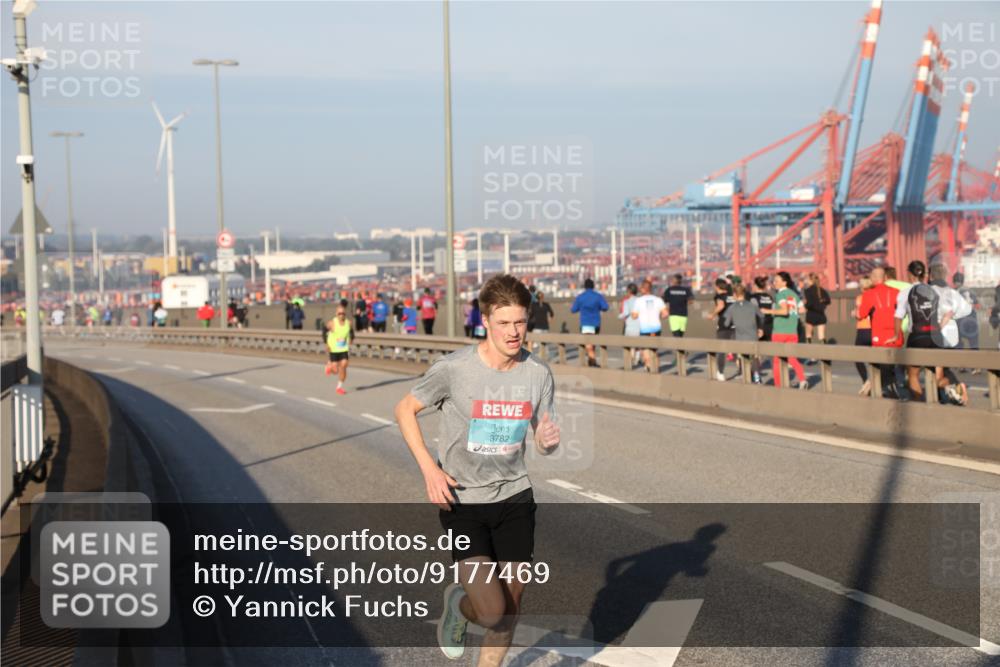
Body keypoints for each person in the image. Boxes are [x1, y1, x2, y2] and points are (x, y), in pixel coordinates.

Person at [393, 274, 560, 665]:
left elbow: (543, 438)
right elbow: (404, 409)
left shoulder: (537, 374)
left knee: (510, 610)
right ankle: (459, 605)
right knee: (490, 611)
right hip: (463, 501)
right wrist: (430, 472)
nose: (514, 331)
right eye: (504, 323)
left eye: (520, 321)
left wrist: (548, 441)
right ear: (486, 321)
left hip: (514, 496)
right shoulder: (454, 369)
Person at [857, 267, 901, 398]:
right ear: (885, 278)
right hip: (895, 335)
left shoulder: (869, 294)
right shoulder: (897, 292)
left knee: (879, 365)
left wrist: (855, 313)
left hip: (879, 336)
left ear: (873, 278)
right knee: (891, 365)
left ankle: (873, 386)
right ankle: (890, 389)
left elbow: (861, 314)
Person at [761, 272, 808, 389]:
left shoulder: (780, 295)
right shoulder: (794, 294)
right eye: (774, 281)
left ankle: (778, 386)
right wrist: (793, 310)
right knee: (792, 358)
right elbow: (802, 310)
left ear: (784, 282)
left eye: (777, 281)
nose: (774, 283)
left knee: (777, 360)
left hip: (780, 331)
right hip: (792, 331)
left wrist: (768, 312)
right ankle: (802, 379)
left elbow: (784, 311)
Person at [722, 284, 764, 384]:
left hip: (740, 337)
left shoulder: (732, 307)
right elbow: (761, 316)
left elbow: (726, 323)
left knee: (742, 358)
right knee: (754, 357)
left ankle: (746, 379)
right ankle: (757, 377)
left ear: (735, 294)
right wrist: (760, 329)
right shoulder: (752, 305)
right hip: (753, 335)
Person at [630, 280, 668, 372]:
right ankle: (656, 369)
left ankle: (648, 367)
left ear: (643, 289)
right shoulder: (658, 300)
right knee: (654, 350)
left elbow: (634, 316)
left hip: (644, 329)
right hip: (656, 328)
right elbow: (665, 314)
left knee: (645, 350)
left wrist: (640, 313)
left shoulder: (639, 301)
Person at [570, 278, 609, 367]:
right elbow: (605, 307)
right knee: (592, 343)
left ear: (585, 286)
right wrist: (597, 308)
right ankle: (592, 361)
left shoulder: (580, 297)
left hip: (585, 323)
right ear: (593, 286)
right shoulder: (598, 296)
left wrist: (582, 308)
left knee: (588, 343)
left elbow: (573, 310)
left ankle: (592, 361)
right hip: (596, 323)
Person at [706, 278, 736, 381]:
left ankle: (720, 372)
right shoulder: (732, 296)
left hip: (723, 325)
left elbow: (721, 305)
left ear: (717, 286)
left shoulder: (718, 296)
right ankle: (743, 370)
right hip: (735, 324)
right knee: (739, 348)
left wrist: (712, 314)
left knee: (721, 350)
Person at [852, 276, 874, 395]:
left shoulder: (860, 298)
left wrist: (854, 313)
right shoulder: (875, 296)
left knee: (858, 357)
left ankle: (866, 381)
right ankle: (874, 381)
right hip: (874, 330)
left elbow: (859, 314)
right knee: (874, 358)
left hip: (863, 329)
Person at [324, 306, 353, 394]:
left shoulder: (349, 323)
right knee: (335, 371)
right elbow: (323, 331)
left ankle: (339, 387)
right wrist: (326, 344)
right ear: (336, 314)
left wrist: (351, 339)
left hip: (343, 348)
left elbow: (351, 332)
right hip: (333, 349)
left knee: (344, 365)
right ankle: (329, 366)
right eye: (339, 313)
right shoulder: (332, 323)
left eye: (343, 313)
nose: (341, 315)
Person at [952, 272, 980, 359]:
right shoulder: (971, 291)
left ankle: (962, 365)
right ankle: (976, 367)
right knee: (974, 344)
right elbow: (978, 306)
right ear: (963, 281)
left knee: (959, 344)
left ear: (954, 281)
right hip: (972, 320)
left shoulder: (953, 292)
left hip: (959, 321)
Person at [802, 273, 831, 345]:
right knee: (821, 336)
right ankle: (824, 353)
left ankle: (810, 353)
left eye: (807, 279)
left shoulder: (808, 290)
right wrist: (821, 302)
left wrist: (805, 305)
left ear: (810, 280)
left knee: (808, 335)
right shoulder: (822, 290)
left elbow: (810, 303)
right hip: (821, 314)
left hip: (811, 314)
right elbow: (828, 301)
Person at [618, 283, 641, 369]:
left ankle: (630, 362)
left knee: (630, 346)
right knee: (638, 345)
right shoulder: (640, 300)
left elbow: (626, 313)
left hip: (630, 327)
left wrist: (619, 316)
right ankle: (637, 359)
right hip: (640, 327)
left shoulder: (627, 301)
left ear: (629, 291)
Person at [749, 276, 774, 342]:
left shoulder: (753, 298)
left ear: (756, 286)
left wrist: (760, 327)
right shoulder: (770, 297)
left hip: (758, 327)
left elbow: (754, 313)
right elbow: (773, 310)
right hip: (770, 326)